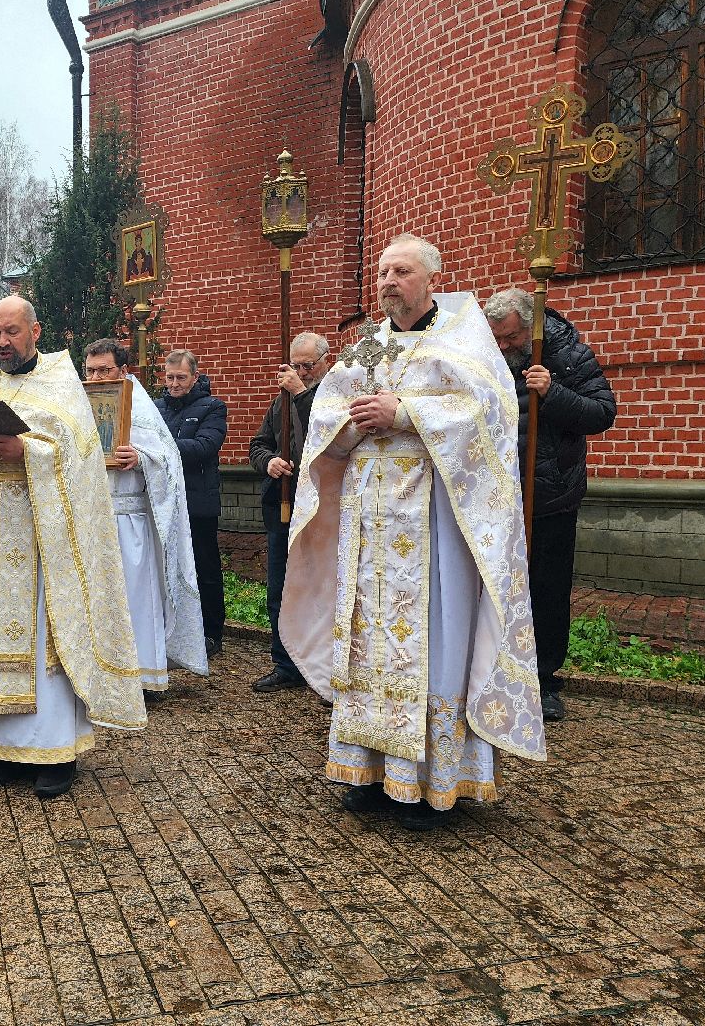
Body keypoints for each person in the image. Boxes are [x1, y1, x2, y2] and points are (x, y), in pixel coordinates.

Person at [281, 233, 547, 832]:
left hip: (433, 523)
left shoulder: (463, 341)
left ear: (432, 278)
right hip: (368, 522)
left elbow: (491, 413)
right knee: (366, 640)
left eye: (401, 270)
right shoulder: (364, 349)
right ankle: (369, 769)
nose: (388, 281)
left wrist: (405, 413)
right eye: (382, 272)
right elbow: (326, 418)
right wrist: (349, 427)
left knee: (429, 640)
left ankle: (432, 781)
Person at [0, 296, 146, 799]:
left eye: (12, 332)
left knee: (45, 637)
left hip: (44, 539)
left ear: (35, 331)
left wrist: (28, 451)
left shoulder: (62, 383)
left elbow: (81, 458)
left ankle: (55, 751)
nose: (2, 342)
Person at [484, 288, 616, 723]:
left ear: (532, 326)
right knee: (500, 590)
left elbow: (601, 413)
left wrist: (553, 392)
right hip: (500, 497)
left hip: (551, 497)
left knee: (546, 591)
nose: (504, 347)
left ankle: (544, 680)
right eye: (497, 339)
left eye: (512, 338)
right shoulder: (489, 359)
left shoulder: (568, 354)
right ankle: (498, 670)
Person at [83, 340, 208, 693]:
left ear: (123, 371)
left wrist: (139, 457)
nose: (96, 377)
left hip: (131, 521)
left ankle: (140, 677)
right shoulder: (81, 404)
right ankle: (99, 675)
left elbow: (167, 459)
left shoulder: (139, 407)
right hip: (94, 521)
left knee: (134, 600)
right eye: (90, 370)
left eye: (104, 370)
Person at [247, 331, 331, 694]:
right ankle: (284, 661)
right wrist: (269, 463)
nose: (300, 372)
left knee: (320, 586)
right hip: (282, 503)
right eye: (295, 365)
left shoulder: (332, 395)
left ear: (326, 361)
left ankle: (321, 664)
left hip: (322, 506)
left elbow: (327, 433)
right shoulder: (280, 401)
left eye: (307, 366)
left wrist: (300, 393)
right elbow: (258, 444)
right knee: (281, 585)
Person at [155, 349, 227, 656]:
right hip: (163, 500)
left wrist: (157, 448)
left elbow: (205, 445)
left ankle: (212, 632)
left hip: (198, 501)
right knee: (166, 566)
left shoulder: (213, 407)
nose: (174, 384)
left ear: (194, 377)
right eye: (169, 377)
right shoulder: (156, 407)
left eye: (181, 378)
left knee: (204, 567)